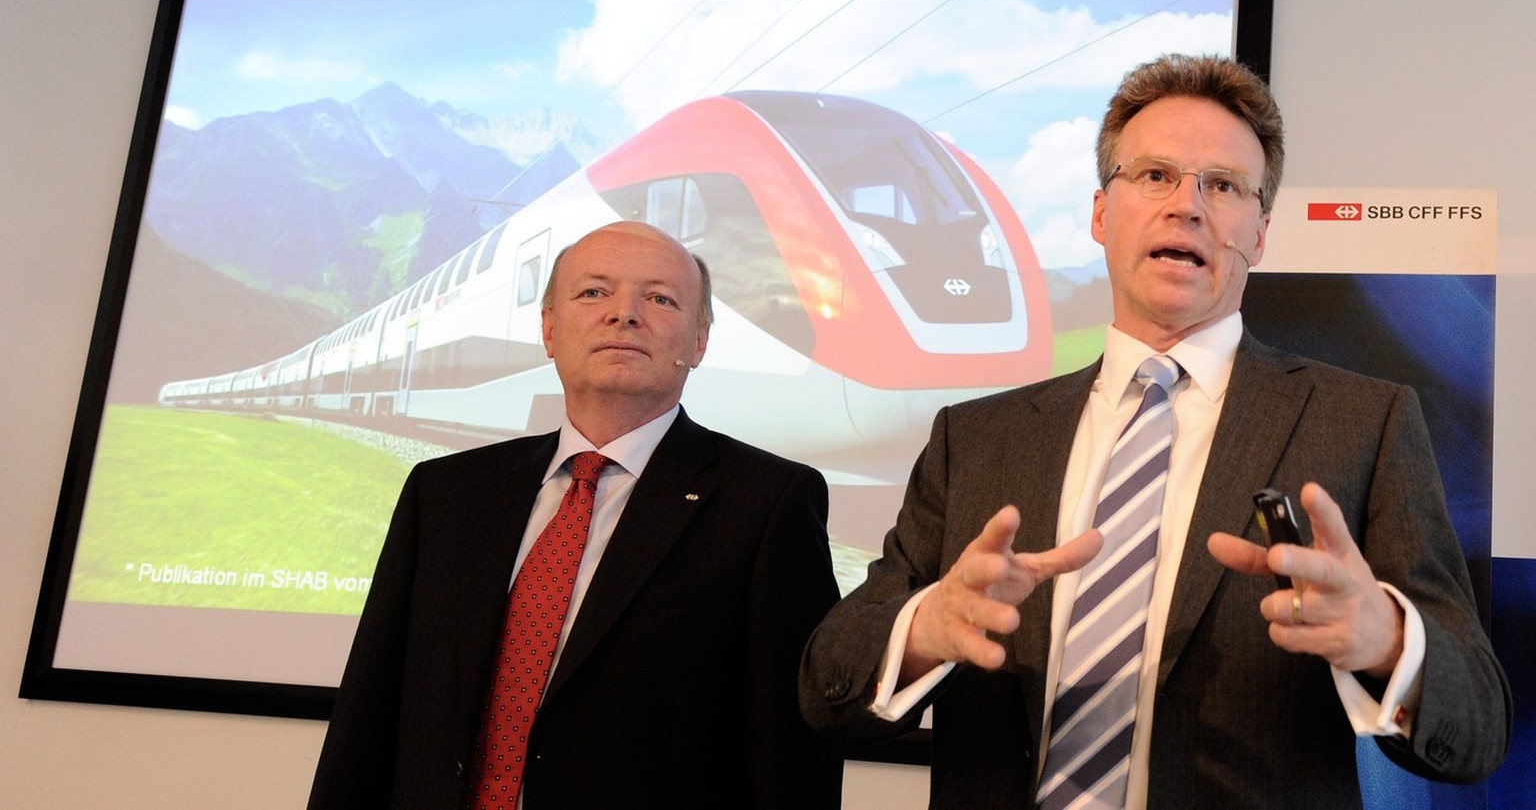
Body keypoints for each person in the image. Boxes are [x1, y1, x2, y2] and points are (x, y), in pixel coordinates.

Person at [799, 54, 1510, 809]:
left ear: (1261, 233)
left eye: (1225, 185)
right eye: (1156, 176)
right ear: (1103, 213)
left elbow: (1479, 729)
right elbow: (825, 687)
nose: (1188, 206)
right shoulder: (974, 438)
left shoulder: (1365, 421)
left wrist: (1389, 642)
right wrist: (924, 628)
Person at [309, 220, 843, 810]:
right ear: (549, 329)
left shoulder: (770, 502)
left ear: (698, 341)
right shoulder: (445, 493)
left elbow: (791, 751)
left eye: (660, 298)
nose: (625, 314)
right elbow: (369, 712)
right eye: (594, 292)